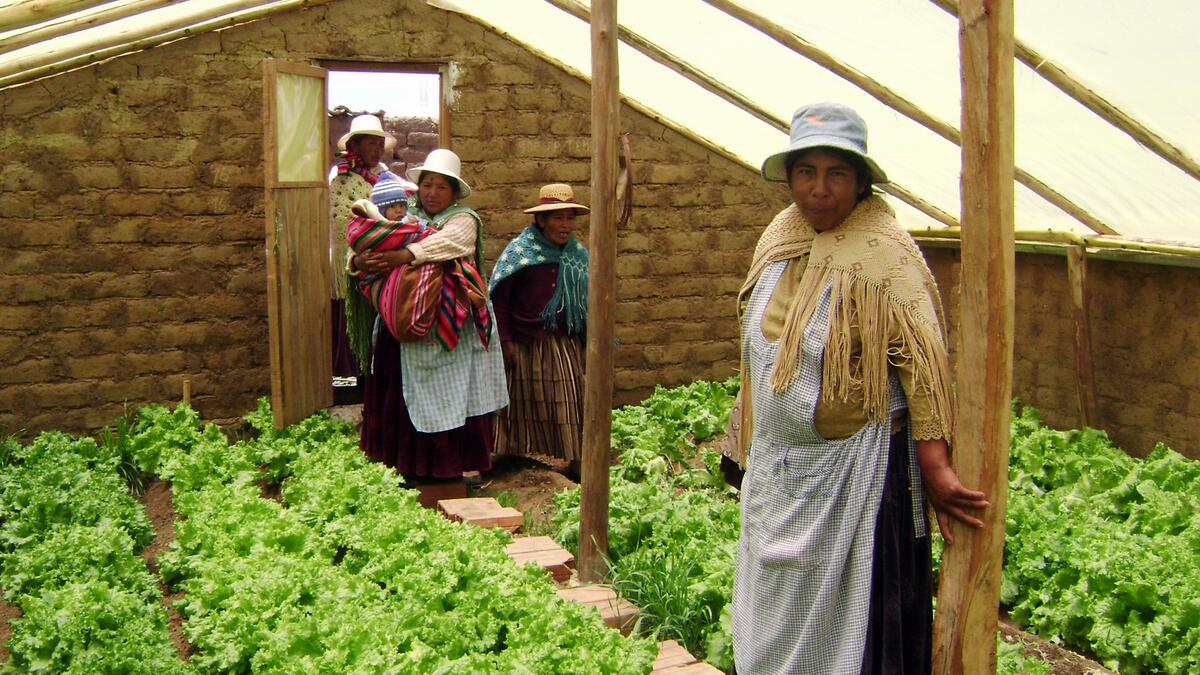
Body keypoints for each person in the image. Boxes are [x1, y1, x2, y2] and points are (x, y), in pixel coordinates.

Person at [729, 102, 989, 674]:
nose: (819, 190)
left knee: (860, 624)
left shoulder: (885, 253)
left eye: (837, 174)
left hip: (862, 479)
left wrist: (936, 462)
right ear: (789, 176)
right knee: (779, 608)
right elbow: (757, 344)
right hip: (783, 473)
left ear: (862, 180)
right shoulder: (782, 234)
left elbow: (922, 365)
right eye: (805, 172)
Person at [350, 148, 508, 482]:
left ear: (453, 193)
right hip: (404, 318)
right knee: (402, 390)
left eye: (441, 187)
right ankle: (402, 464)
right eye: (427, 185)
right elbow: (368, 241)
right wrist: (360, 262)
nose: (432, 193)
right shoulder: (403, 219)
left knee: (446, 392)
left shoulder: (463, 220)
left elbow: (450, 245)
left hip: (450, 323)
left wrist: (403, 255)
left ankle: (443, 468)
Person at [488, 184, 590, 474]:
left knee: (569, 398)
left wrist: (585, 343)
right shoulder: (520, 253)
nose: (565, 225)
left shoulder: (577, 256)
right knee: (516, 400)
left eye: (570, 218)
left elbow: (586, 304)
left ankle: (577, 461)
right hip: (524, 341)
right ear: (541, 220)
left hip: (562, 342)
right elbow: (500, 301)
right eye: (558, 218)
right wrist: (505, 342)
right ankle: (506, 456)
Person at [330, 114, 391, 380]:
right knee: (359, 321)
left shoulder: (385, 177)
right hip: (355, 260)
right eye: (371, 143)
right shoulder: (342, 179)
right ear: (354, 146)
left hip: (383, 261)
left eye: (380, 144)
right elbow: (342, 223)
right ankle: (357, 379)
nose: (377, 150)